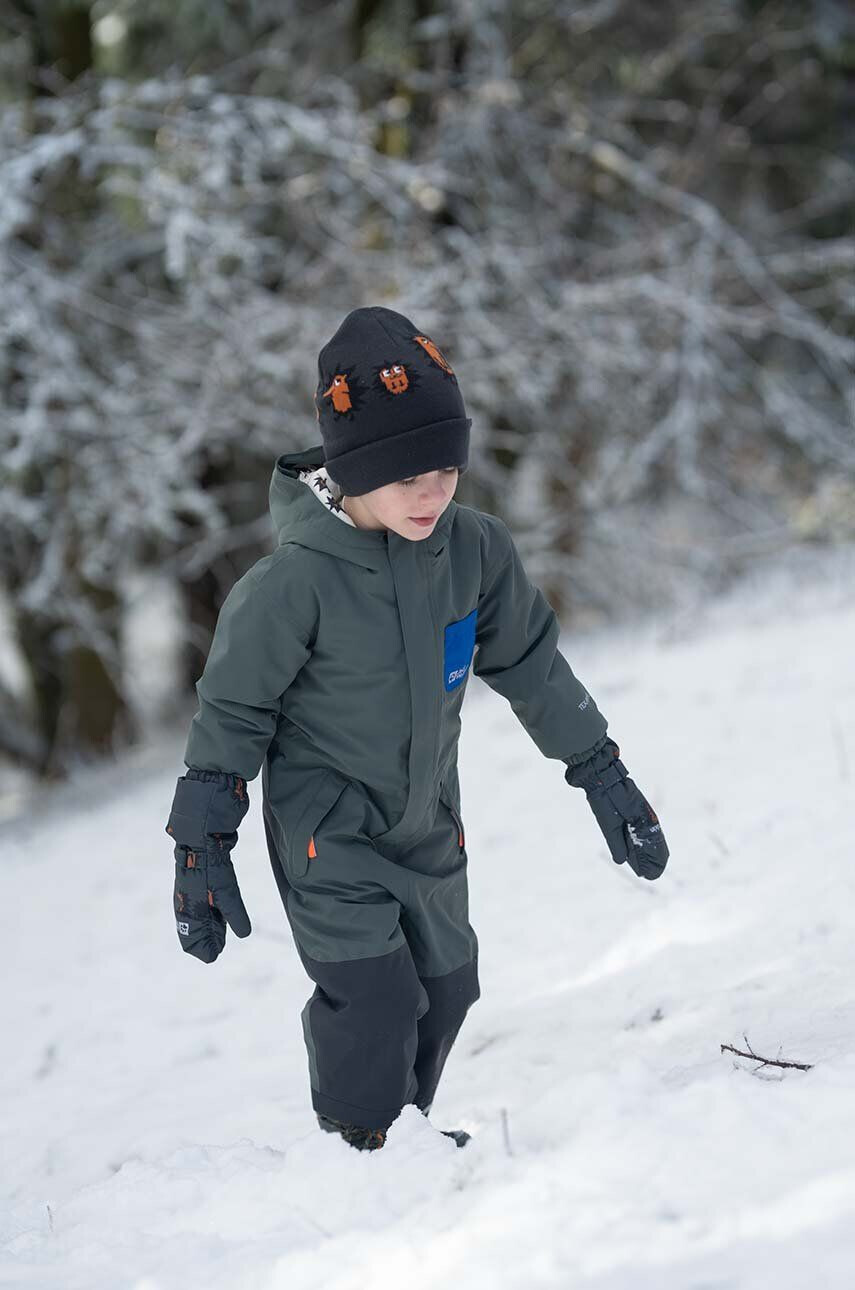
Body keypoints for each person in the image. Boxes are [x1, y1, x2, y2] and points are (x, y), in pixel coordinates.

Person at [165, 306, 670, 1153]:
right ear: (351, 471)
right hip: (331, 832)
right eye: (406, 478)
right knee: (375, 998)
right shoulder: (292, 585)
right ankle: (358, 1148)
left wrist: (600, 768)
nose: (432, 492)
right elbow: (233, 710)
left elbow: (533, 666)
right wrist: (202, 836)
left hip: (429, 821)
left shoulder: (473, 550)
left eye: (445, 470)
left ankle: (400, 1137)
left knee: (447, 988)